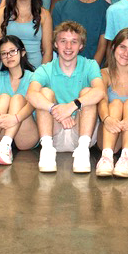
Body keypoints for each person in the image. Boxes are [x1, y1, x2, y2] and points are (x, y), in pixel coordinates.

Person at [26, 21, 106, 173]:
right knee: (44, 93)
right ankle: (47, 151)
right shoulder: (45, 69)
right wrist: (55, 109)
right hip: (54, 132)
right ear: (56, 44)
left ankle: (83, 151)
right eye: (63, 41)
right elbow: (31, 94)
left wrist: (71, 106)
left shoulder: (90, 65)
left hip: (81, 131)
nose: (68, 47)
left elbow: (100, 91)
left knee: (88, 92)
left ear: (81, 45)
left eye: (74, 42)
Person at [95, 28, 128, 178]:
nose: (126, 53)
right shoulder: (104, 73)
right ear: (113, 47)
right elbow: (102, 100)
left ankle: (126, 157)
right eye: (122, 47)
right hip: (111, 132)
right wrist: (107, 119)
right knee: (116, 104)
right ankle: (106, 157)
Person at [0, 35, 39, 164]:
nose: (8, 56)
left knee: (17, 98)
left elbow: (33, 104)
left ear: (22, 52)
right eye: (4, 53)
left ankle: (6, 146)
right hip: (1, 130)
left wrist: (16, 118)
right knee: (3, 97)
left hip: (25, 135)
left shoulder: (33, 77)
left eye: (12, 51)